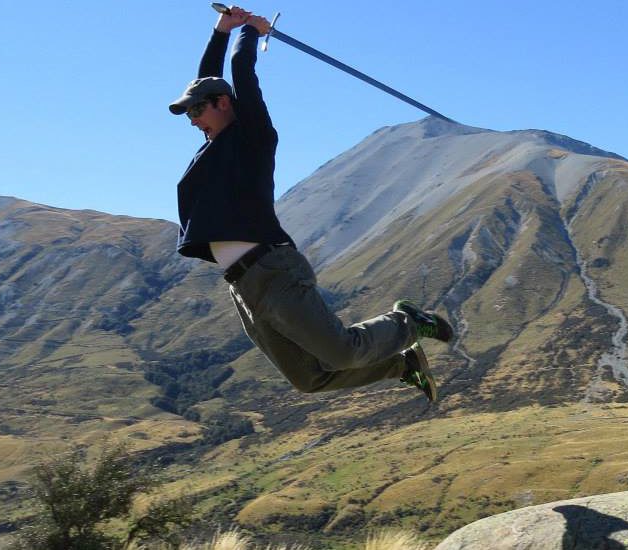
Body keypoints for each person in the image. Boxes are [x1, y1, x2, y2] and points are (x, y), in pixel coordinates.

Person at [169, 5, 453, 401]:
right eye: (189, 115)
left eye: (198, 110)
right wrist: (221, 30)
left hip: (272, 270)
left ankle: (407, 321)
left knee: (343, 351)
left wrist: (250, 31)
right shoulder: (214, 149)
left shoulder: (252, 138)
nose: (193, 120)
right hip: (243, 285)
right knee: (309, 379)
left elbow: (241, 74)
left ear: (224, 103)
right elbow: (208, 79)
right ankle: (404, 364)